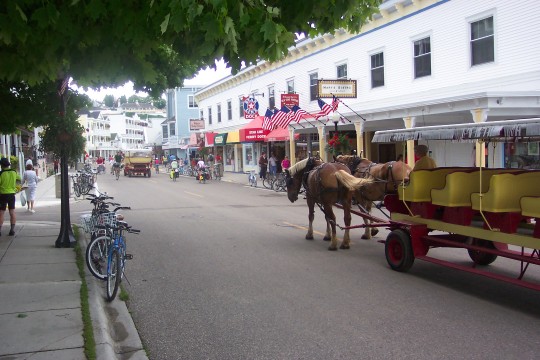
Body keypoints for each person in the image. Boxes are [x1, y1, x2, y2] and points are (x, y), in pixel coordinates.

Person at [0, 157, 21, 236]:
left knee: (1, 212)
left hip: (2, 195)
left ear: (2, 165)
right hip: (12, 194)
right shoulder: (14, 172)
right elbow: (19, 179)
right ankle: (12, 230)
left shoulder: (1, 173)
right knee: (12, 212)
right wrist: (16, 188)